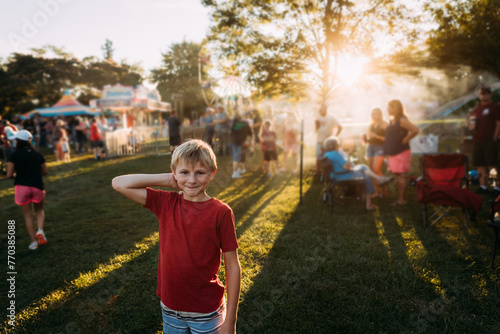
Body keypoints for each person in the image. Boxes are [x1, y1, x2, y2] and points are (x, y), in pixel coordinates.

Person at [112, 139, 241, 334]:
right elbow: (119, 184)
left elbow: (232, 265)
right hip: (171, 308)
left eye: (200, 173)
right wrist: (167, 179)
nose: (191, 180)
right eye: (184, 173)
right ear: (174, 173)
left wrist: (230, 321)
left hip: (207, 311)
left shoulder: (221, 212)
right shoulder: (165, 202)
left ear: (212, 174)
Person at [323, 136, 393, 210]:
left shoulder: (326, 154)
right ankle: (369, 205)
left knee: (362, 167)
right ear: (332, 146)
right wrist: (348, 155)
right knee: (367, 177)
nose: (339, 146)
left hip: (335, 176)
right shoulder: (335, 154)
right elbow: (347, 167)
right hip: (343, 176)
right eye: (338, 144)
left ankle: (375, 182)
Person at [6, 130, 48, 250]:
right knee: (39, 210)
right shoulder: (38, 154)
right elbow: (44, 172)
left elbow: (9, 175)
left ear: (18, 141)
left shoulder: (14, 155)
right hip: (37, 186)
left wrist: (16, 176)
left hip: (22, 187)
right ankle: (40, 230)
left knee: (28, 215)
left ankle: (33, 243)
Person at [383, 99, 419, 206]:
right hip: (393, 151)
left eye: (389, 107)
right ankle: (400, 198)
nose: (387, 109)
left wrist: (406, 139)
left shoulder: (401, 119)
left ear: (395, 108)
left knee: (402, 175)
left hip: (401, 151)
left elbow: (415, 129)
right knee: (397, 175)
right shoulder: (392, 120)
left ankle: (402, 200)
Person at [468, 86, 500, 196]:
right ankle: (483, 186)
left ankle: (496, 187)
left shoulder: (494, 107)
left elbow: (498, 124)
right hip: (477, 140)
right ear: (479, 95)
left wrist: (494, 138)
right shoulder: (477, 108)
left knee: (491, 165)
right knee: (479, 164)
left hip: (489, 140)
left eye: (486, 93)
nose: (484, 95)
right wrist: (470, 122)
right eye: (482, 93)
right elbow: (471, 124)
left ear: (490, 95)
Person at [365, 108, 389, 197]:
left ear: (380, 114)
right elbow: (369, 136)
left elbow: (388, 139)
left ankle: (384, 190)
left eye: (376, 114)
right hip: (370, 147)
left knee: (376, 170)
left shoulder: (384, 124)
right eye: (372, 114)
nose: (374, 116)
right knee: (372, 171)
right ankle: (377, 192)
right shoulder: (371, 125)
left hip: (380, 147)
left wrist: (376, 136)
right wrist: (365, 139)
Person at [315, 105, 342, 177]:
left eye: (322, 109)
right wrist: (316, 124)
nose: (320, 111)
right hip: (319, 141)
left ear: (326, 109)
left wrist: (335, 136)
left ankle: (330, 173)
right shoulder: (318, 118)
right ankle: (317, 173)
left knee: (329, 158)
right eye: (320, 109)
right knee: (318, 156)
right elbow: (316, 130)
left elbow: (340, 127)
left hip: (328, 143)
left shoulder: (331, 118)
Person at [230, 114, 253, 178]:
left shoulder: (234, 124)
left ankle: (238, 171)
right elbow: (250, 134)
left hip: (234, 143)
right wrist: (249, 142)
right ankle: (234, 174)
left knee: (237, 158)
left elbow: (231, 134)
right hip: (242, 143)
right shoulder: (245, 124)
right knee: (237, 159)